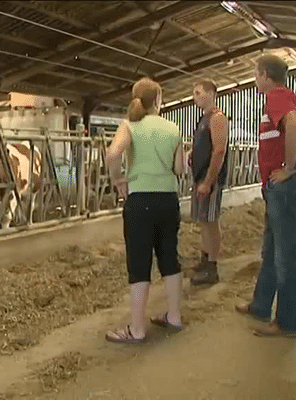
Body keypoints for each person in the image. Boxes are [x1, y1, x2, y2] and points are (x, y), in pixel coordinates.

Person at [236, 54, 296, 338]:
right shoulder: (281, 97)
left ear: (266, 74)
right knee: (270, 251)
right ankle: (260, 305)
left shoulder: (277, 96)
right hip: (277, 189)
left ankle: (286, 322)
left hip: (284, 187)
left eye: (256, 74)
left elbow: (295, 122)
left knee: (284, 257)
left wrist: (289, 168)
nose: (255, 79)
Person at [104, 77, 185, 344]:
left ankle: (137, 329)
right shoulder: (173, 128)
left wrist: (118, 179)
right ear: (159, 100)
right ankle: (174, 316)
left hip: (140, 201)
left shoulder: (130, 125)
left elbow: (113, 154)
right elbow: (180, 169)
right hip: (168, 199)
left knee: (139, 263)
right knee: (169, 257)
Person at [188, 80, 229, 286]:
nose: (195, 97)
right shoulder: (204, 118)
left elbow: (219, 150)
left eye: (198, 93)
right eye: (194, 94)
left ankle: (212, 267)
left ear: (212, 93)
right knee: (203, 220)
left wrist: (208, 181)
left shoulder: (217, 117)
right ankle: (205, 259)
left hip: (209, 179)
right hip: (200, 177)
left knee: (211, 221)